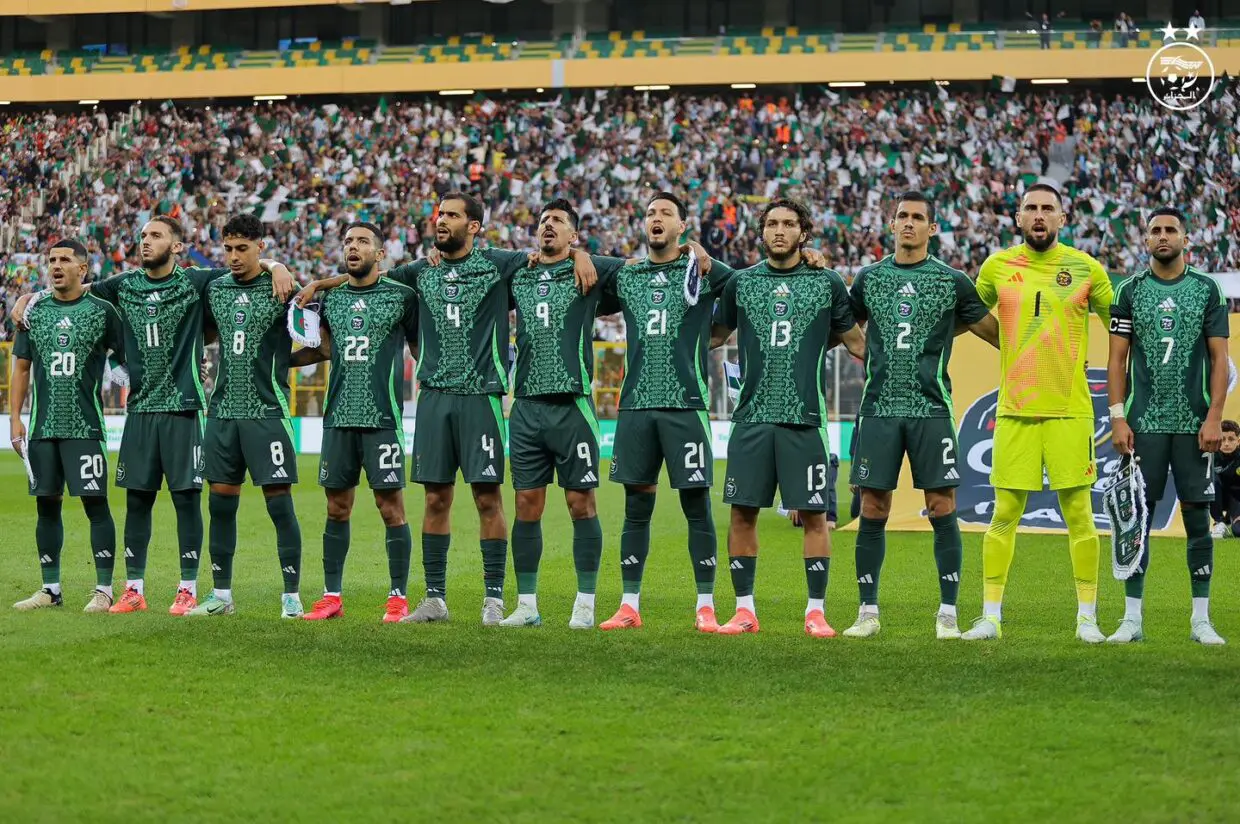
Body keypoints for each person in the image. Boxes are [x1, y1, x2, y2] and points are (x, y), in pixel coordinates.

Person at [14, 216, 295, 615]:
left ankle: (187, 589)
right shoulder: (123, 285)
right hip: (141, 410)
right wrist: (32, 297)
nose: (145, 241)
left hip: (184, 409)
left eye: (156, 235)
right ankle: (133, 589)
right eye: (143, 235)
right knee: (137, 501)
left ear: (178, 246)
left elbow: (245, 265)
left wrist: (277, 266)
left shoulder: (197, 282)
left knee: (186, 501)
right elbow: (74, 287)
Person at [391, 193, 596, 625]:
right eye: (439, 214)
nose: (441, 220)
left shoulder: (501, 265)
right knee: (434, 497)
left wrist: (578, 252)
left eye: (451, 215)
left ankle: (493, 598)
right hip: (432, 397)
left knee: (488, 498)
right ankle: (434, 600)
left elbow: (550, 251)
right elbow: (368, 278)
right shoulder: (418, 271)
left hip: (481, 396)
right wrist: (306, 280)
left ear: (475, 226)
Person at [842, 192, 999, 640]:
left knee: (941, 506)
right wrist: (862, 350)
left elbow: (996, 335)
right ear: (891, 225)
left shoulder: (952, 281)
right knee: (873, 507)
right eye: (902, 217)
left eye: (918, 218)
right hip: (878, 410)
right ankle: (867, 612)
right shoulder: (869, 279)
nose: (908, 224)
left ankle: (947, 614)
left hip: (932, 409)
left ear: (932, 228)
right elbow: (844, 326)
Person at [962, 183, 1114, 643]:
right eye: (1031, 208)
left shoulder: (1086, 268)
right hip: (1015, 411)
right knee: (1004, 513)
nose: (1040, 215)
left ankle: (1087, 617)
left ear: (1063, 219)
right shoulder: (997, 266)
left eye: (1049, 208)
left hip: (1071, 412)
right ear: (1018, 218)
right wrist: (1004, 341)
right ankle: (991, 616)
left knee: (1080, 516)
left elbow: (1122, 323)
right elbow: (968, 310)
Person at [714, 198, 866, 637]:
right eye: (772, 224)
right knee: (743, 514)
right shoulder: (741, 283)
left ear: (804, 233)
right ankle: (745, 610)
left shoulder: (827, 282)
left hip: (805, 419)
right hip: (752, 418)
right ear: (762, 232)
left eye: (788, 224)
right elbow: (713, 336)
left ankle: (815, 612)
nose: (779, 231)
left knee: (815, 516)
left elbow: (856, 343)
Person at [595, 192, 735, 632]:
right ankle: (629, 604)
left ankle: (706, 605)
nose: (656, 218)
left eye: (666, 214)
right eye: (651, 213)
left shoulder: (703, 270)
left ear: (681, 227)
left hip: (685, 405)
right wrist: (580, 252)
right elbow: (575, 266)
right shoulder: (627, 274)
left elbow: (747, 284)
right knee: (636, 507)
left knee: (697, 506)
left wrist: (700, 251)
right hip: (635, 405)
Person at [498, 199, 626, 628]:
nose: (547, 226)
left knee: (580, 503)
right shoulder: (519, 271)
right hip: (527, 407)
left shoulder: (589, 273)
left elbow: (637, 266)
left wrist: (581, 254)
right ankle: (528, 605)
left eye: (558, 222)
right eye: (543, 221)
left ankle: (585, 603)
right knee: (526, 505)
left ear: (574, 234)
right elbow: (468, 256)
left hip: (573, 406)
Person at [1106, 207, 1227, 645]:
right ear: (1145, 239)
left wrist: (1214, 416)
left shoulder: (1206, 289)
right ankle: (1132, 619)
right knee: (1136, 518)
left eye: (1170, 230)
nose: (1162, 236)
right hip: (1144, 425)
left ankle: (1201, 620)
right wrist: (1118, 418)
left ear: (1185, 238)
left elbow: (1220, 361)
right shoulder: (1130, 291)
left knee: (1197, 518)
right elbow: (1116, 361)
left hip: (1195, 426)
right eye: (1155, 230)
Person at [292, 222, 419, 622]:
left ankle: (398, 597)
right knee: (336, 508)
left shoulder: (402, 296)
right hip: (339, 418)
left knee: (391, 508)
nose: (353, 246)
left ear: (380, 254)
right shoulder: (331, 301)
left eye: (363, 241)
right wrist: (280, 360)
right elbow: (322, 348)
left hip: (382, 419)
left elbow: (420, 347)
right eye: (348, 241)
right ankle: (332, 596)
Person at [188, 214, 304, 618]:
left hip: (265, 411)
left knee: (279, 503)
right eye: (229, 249)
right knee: (219, 505)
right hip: (221, 413)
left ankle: (291, 594)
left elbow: (317, 342)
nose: (234, 257)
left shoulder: (283, 289)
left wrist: (279, 269)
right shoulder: (213, 286)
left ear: (261, 247)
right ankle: (221, 596)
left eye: (243, 248)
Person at [10, 240, 125, 613]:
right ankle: (50, 588)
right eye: (51, 260)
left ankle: (104, 589)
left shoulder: (103, 311)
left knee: (95, 503)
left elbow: (126, 360)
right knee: (46, 505)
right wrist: (15, 419)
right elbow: (22, 368)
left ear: (83, 269)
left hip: (85, 427)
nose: (56, 265)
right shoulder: (33, 311)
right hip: (42, 428)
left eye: (65, 260)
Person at [1211, 420, 1240, 537]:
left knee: (1238, 532)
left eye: (1231, 439)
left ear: (1238, 441)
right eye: (1223, 439)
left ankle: (1231, 522)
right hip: (1216, 498)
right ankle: (1219, 522)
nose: (1226, 443)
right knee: (1210, 478)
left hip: (1237, 498)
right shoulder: (1211, 456)